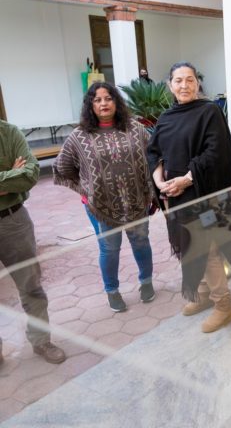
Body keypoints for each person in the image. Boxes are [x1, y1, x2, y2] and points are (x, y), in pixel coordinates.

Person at [147, 61, 231, 333]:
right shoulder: (166, 118)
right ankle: (202, 293)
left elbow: (217, 152)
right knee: (189, 245)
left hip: (206, 193)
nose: (184, 85)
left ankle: (224, 305)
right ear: (170, 85)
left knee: (207, 249)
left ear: (197, 83)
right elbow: (154, 152)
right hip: (177, 195)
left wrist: (186, 179)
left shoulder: (209, 111)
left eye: (189, 80)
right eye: (178, 80)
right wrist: (161, 182)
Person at [53, 82, 156, 312]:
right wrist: (87, 188)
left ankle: (147, 282)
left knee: (141, 242)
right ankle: (112, 291)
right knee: (109, 249)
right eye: (97, 100)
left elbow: (152, 156)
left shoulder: (135, 129)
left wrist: (152, 189)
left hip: (137, 201)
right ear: (90, 105)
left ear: (116, 101)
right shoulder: (79, 136)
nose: (103, 103)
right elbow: (63, 167)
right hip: (101, 206)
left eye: (108, 98)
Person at [0, 120, 66, 364]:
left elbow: (29, 174)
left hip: (13, 221)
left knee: (31, 285)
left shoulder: (9, 132)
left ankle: (41, 341)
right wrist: (9, 177)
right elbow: (18, 176)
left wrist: (17, 177)